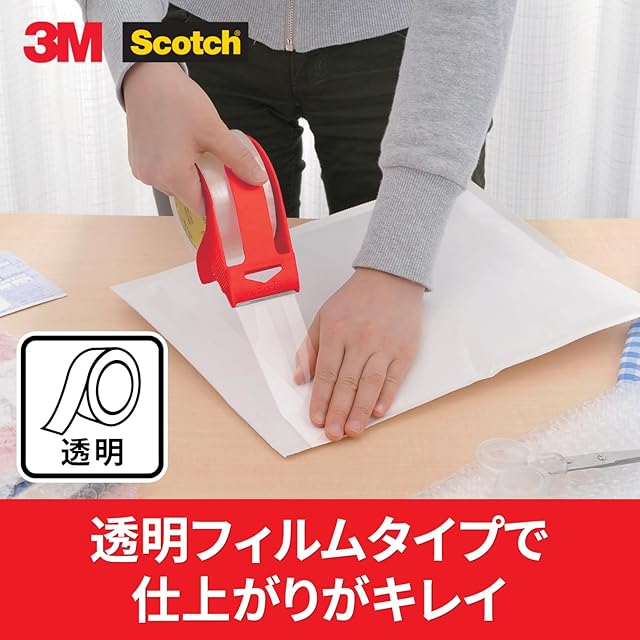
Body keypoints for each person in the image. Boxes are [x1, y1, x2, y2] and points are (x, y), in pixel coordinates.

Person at [77, 1, 516, 441]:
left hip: (411, 42)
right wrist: (140, 58)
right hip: (196, 39)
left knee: (408, 381)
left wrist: (398, 261)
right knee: (222, 364)